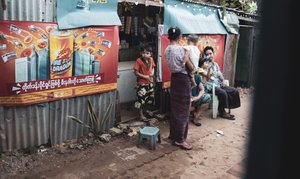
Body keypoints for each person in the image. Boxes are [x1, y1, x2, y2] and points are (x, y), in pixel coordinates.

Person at [165, 26, 192, 150]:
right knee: (183, 110)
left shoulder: (167, 50)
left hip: (174, 79)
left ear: (169, 36)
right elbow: (191, 68)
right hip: (183, 79)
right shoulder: (182, 50)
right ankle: (180, 139)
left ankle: (173, 135)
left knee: (175, 108)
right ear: (180, 37)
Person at [201, 46, 241, 120]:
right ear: (204, 55)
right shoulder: (204, 65)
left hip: (218, 84)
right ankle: (222, 112)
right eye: (207, 54)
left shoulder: (215, 64)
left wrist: (223, 81)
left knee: (234, 91)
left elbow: (220, 74)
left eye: (210, 53)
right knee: (223, 93)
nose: (209, 55)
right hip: (210, 86)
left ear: (213, 54)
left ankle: (227, 107)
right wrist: (209, 68)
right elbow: (207, 78)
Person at [133, 46, 155, 121]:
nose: (145, 54)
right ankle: (140, 115)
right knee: (141, 99)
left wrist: (152, 73)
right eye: (143, 53)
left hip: (150, 82)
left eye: (147, 53)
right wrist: (145, 77)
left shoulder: (151, 59)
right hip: (142, 83)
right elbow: (135, 73)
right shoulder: (138, 61)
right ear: (140, 53)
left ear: (150, 54)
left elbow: (153, 67)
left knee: (149, 98)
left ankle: (146, 111)